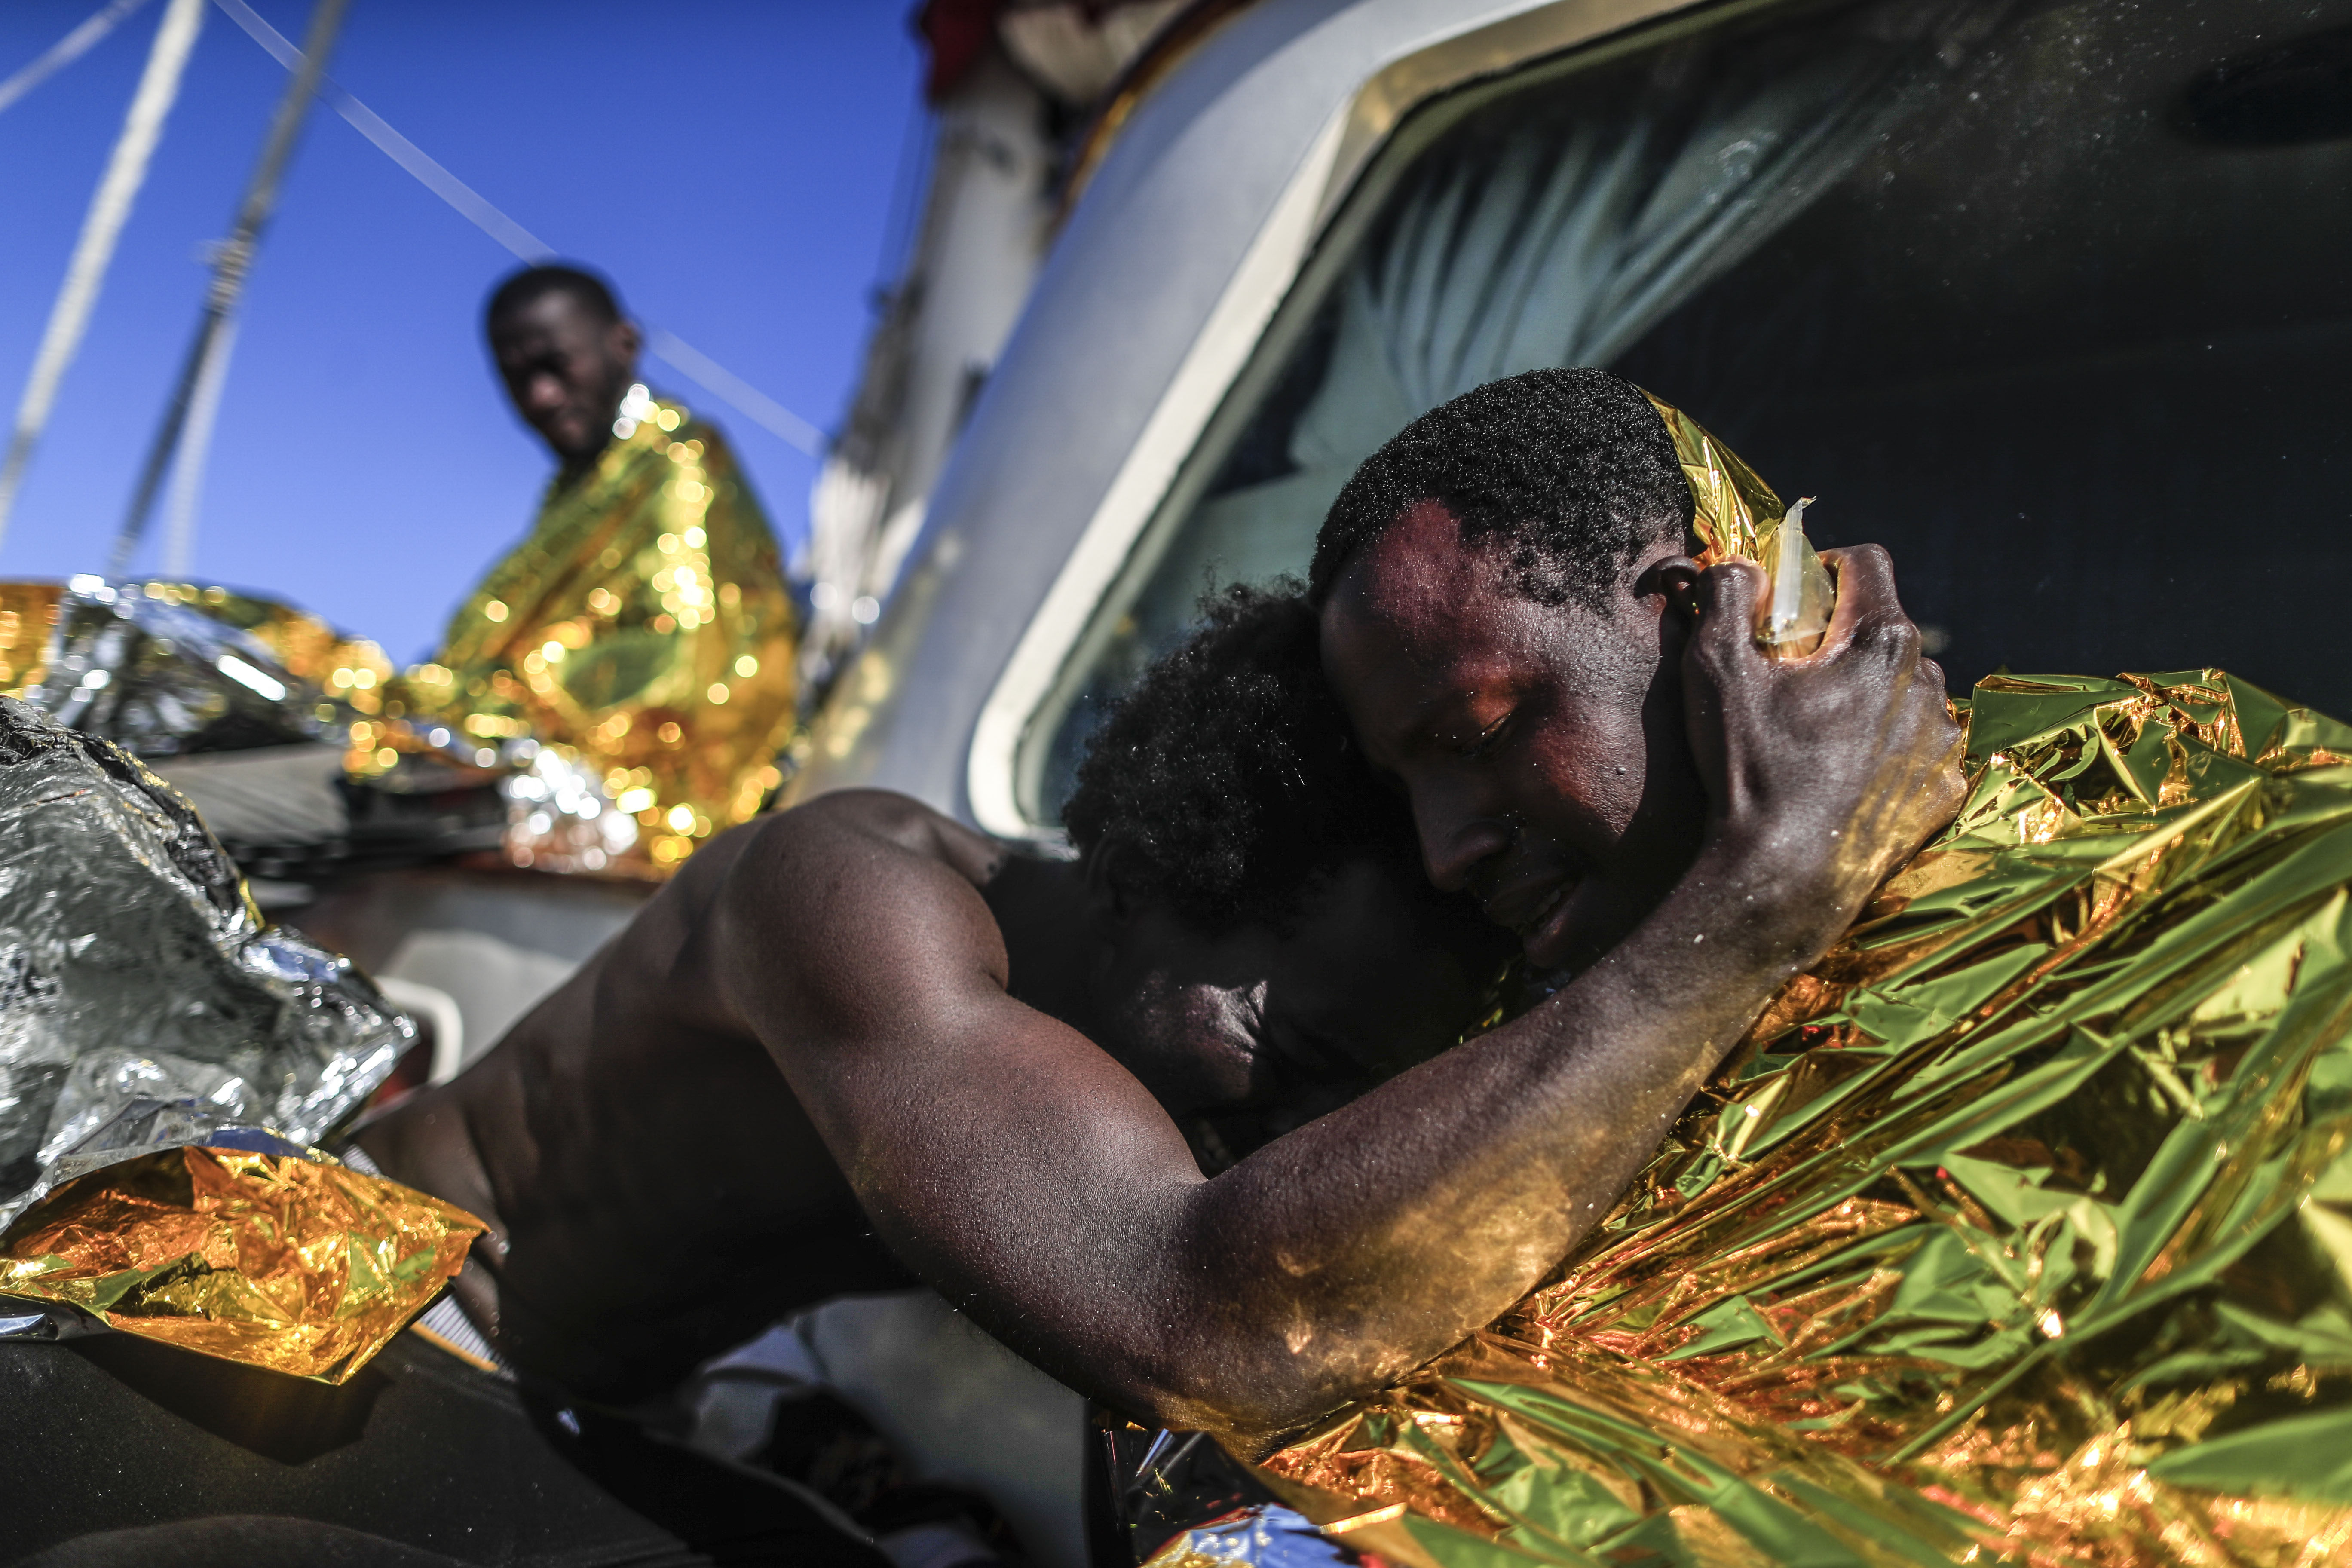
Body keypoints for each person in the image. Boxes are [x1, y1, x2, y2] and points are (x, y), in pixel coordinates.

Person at [355, 395, 1959, 1463]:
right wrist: (1762, 892)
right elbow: (1203, 1312)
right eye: (1299, 1055)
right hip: (393, 1310)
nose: (1273, 1131)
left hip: (628, 1399)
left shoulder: (1091, 1033)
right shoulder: (853, 895)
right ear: (1178, 880)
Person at [404, 264, 799, 870]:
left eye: (555, 365)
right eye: (516, 379)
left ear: (625, 345)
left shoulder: (679, 464)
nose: (541, 397)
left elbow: (680, 660)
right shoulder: (578, 488)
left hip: (649, 823)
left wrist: (495, 706)